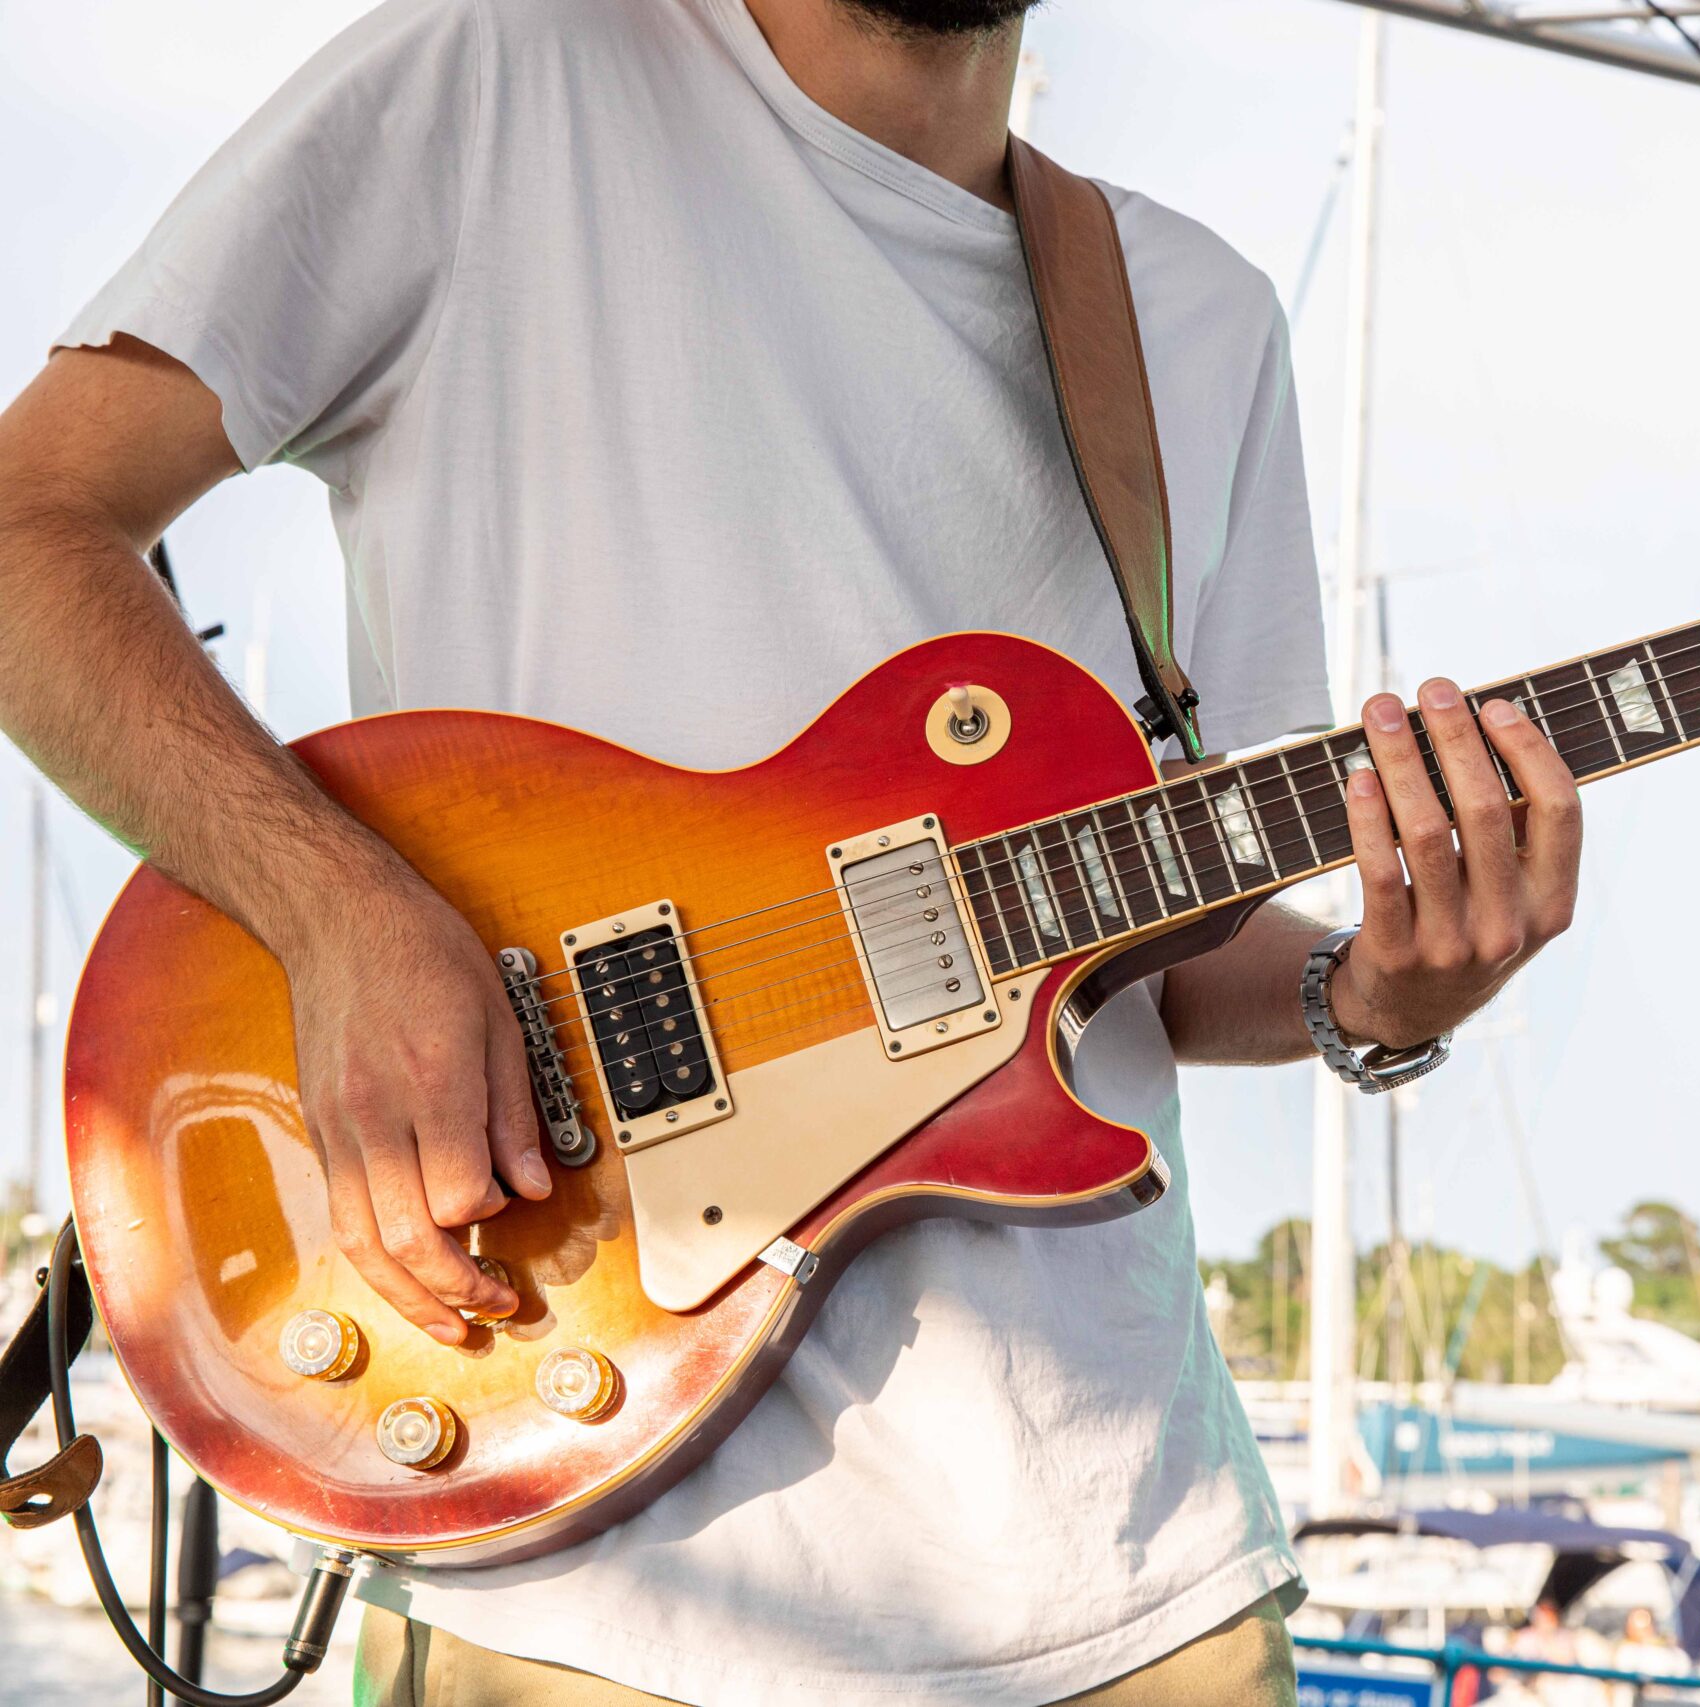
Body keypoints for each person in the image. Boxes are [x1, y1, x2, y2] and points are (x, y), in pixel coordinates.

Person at [0, 2, 1584, 1704]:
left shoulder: (1189, 319)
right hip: (590, 1579)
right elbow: (30, 534)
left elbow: (1173, 957)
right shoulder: (505, 75)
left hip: (1134, 1580)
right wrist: (342, 918)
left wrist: (1382, 994)